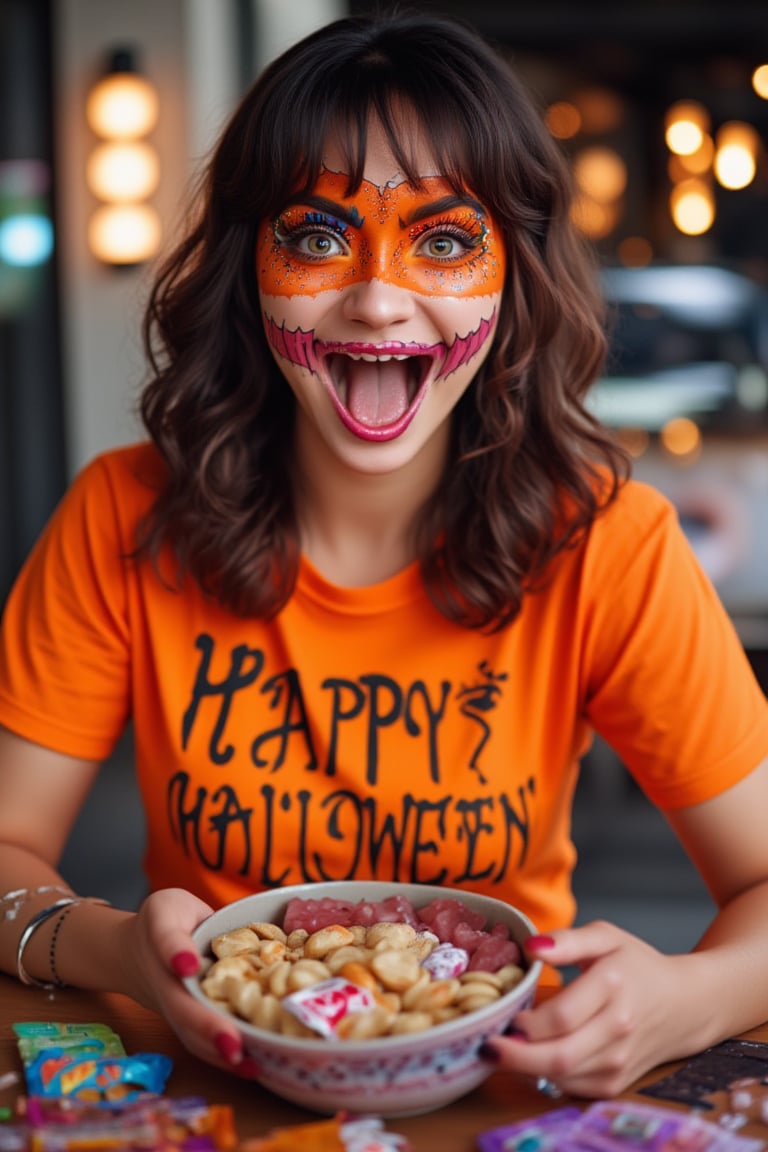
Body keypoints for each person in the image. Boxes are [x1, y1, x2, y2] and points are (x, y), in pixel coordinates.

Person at [1, 8, 767, 1102]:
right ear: (244, 266)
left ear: (515, 278)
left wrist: (683, 999)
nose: (374, 296)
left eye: (446, 241)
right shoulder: (120, 514)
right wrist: (119, 945)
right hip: (212, 1101)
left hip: (498, 1098)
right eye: (315, 238)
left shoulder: (610, 543)